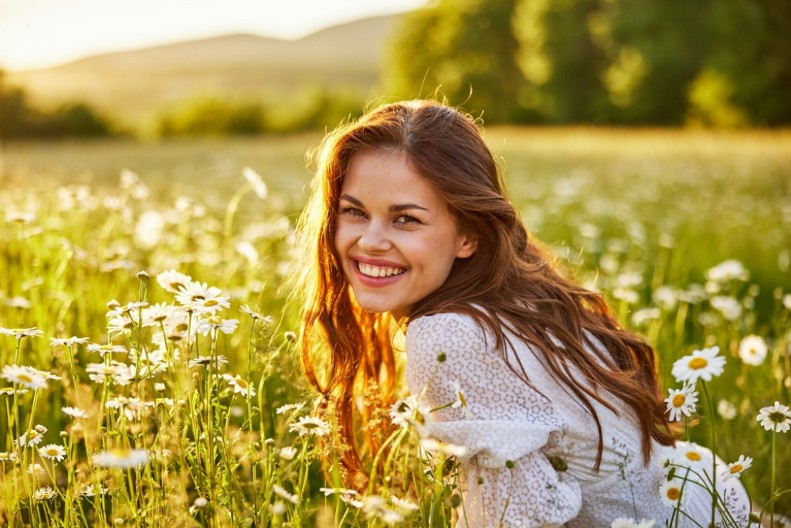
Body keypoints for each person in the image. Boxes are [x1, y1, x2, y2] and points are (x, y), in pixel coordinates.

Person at [296, 99, 751, 526]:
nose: (371, 240)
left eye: (406, 219)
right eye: (354, 212)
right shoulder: (516, 299)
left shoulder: (450, 335)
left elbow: (514, 516)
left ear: (468, 237)